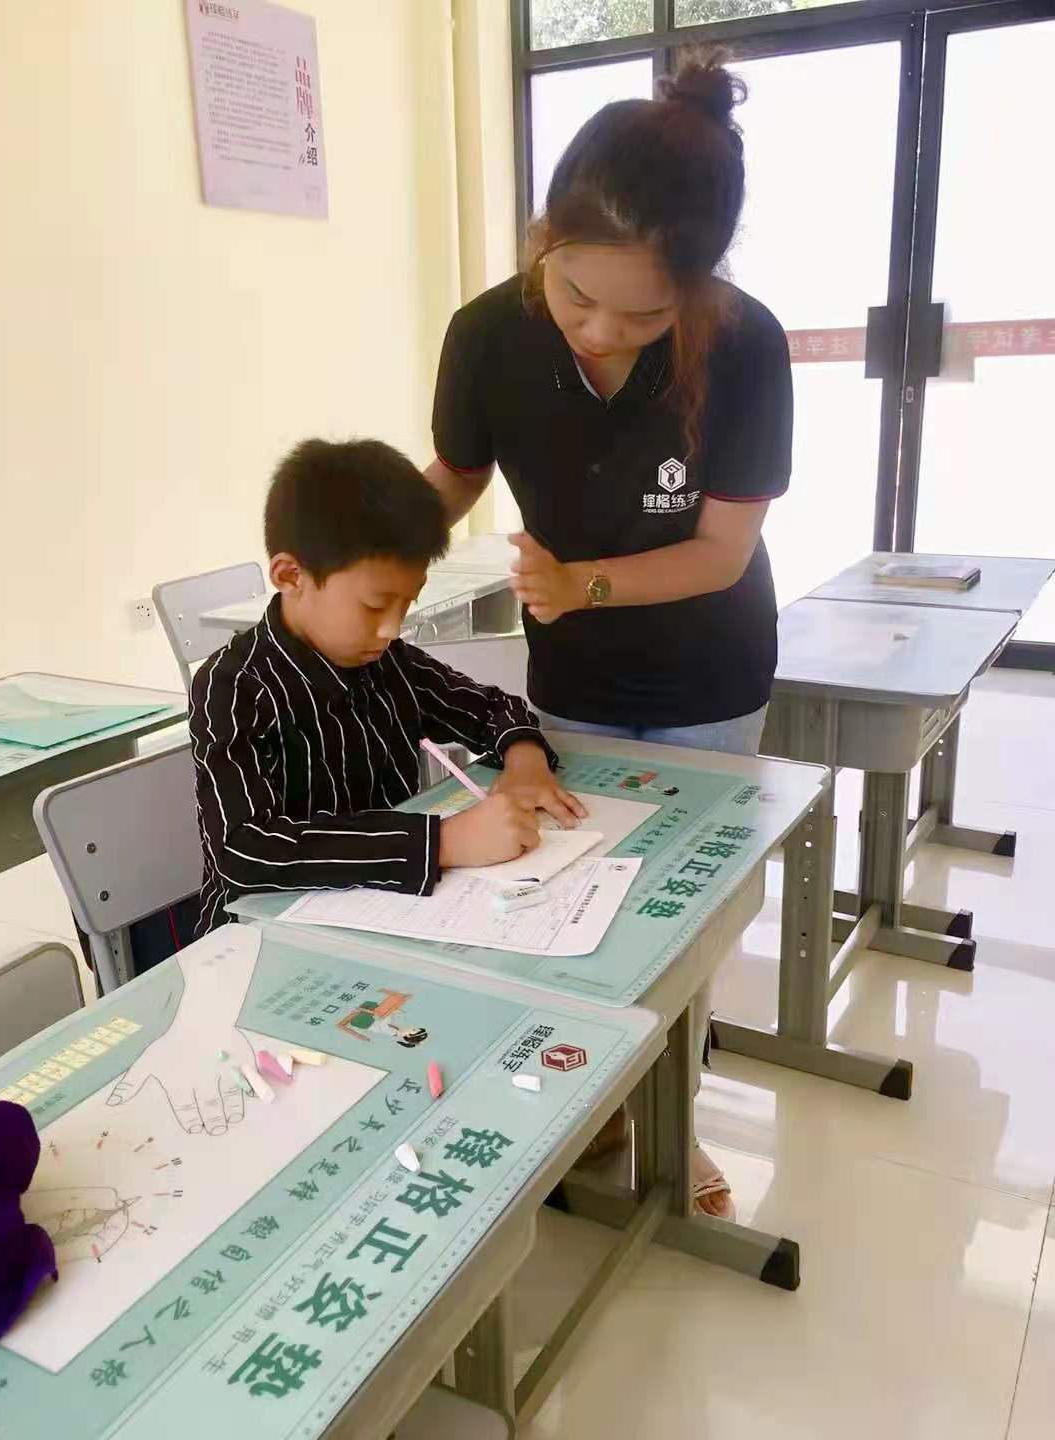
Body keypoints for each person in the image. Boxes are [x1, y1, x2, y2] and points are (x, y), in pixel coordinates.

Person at [425, 52, 792, 1218]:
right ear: (547, 241)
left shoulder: (746, 344)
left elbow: (720, 553)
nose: (599, 331)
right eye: (576, 295)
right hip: (573, 680)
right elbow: (455, 474)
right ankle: (604, 1106)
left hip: (711, 675)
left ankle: (679, 1116)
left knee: (680, 915)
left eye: (644, 315)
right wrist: (370, 549)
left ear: (700, 286)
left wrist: (577, 582)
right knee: (579, 901)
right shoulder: (487, 333)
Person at [189, 438, 585, 936]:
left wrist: (524, 759)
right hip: (259, 935)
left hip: (386, 917)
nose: (391, 628)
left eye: (406, 603)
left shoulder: (387, 662)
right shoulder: (235, 685)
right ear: (291, 575)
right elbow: (244, 850)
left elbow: (491, 709)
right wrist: (441, 843)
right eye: (375, 605)